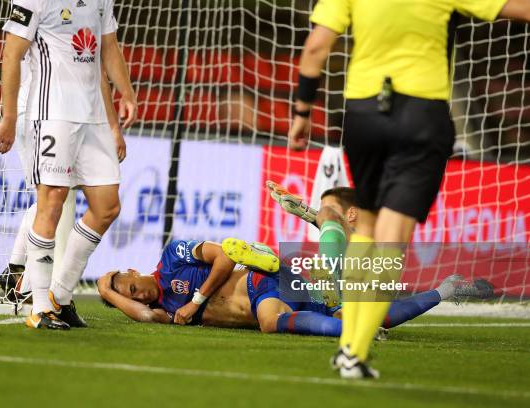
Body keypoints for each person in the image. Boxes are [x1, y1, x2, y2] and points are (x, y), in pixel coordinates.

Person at [287, 0, 530, 378]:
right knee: (392, 239)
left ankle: (348, 345)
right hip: (421, 116)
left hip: (364, 117)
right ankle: (354, 350)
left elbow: (315, 47)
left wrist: (302, 113)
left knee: (365, 228)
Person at [0, 0, 137, 330]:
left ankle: (60, 295)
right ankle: (41, 306)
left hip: (94, 117)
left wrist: (125, 93)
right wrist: (9, 117)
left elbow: (108, 46)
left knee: (107, 207)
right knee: (52, 199)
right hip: (52, 113)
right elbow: (11, 54)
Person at [96, 237, 492, 336]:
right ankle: (448, 290)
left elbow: (226, 255)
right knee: (380, 318)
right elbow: (146, 316)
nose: (139, 295)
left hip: (263, 280)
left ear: (134, 270)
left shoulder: (172, 258)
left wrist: (198, 298)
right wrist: (106, 291)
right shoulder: (165, 310)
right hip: (287, 298)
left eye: (130, 287)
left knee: (269, 321)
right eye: (128, 297)